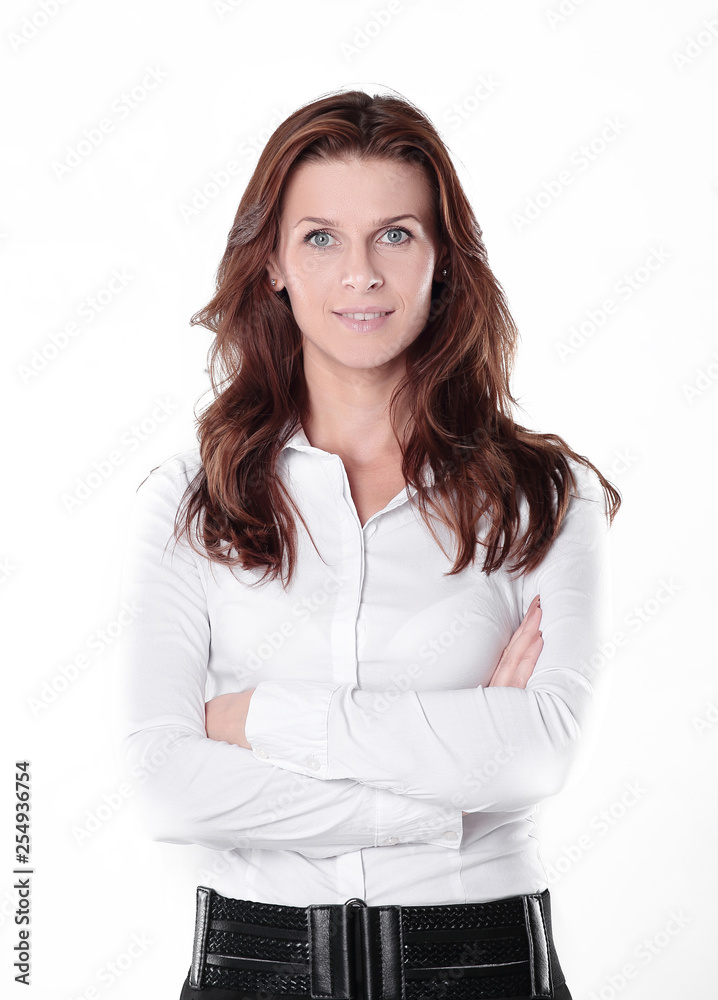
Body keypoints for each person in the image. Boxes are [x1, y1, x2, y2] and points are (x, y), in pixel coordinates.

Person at [113, 87, 621, 1000]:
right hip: (254, 967)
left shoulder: (541, 496)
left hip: (479, 966)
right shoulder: (192, 501)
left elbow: (537, 752)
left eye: (394, 234)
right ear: (273, 262)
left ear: (442, 258)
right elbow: (165, 787)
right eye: (321, 238)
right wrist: (441, 794)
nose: (361, 275)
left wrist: (257, 718)